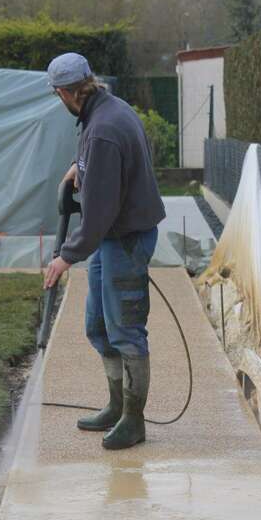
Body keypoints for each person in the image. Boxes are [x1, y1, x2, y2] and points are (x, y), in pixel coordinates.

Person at [42, 52, 166, 450]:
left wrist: (65, 257)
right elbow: (106, 161)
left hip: (125, 238)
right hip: (114, 237)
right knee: (99, 326)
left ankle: (134, 420)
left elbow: (96, 215)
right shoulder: (106, 111)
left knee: (126, 331)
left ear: (64, 92)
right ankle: (116, 406)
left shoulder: (104, 128)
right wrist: (81, 166)